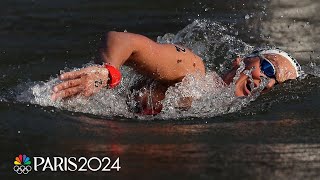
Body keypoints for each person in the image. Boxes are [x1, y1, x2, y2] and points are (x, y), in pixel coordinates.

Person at [51, 31, 302, 115]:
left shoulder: (222, 113)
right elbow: (123, 40)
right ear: (242, 60)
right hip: (61, 105)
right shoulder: (192, 71)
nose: (267, 83)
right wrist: (108, 73)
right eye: (268, 68)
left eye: (275, 83)